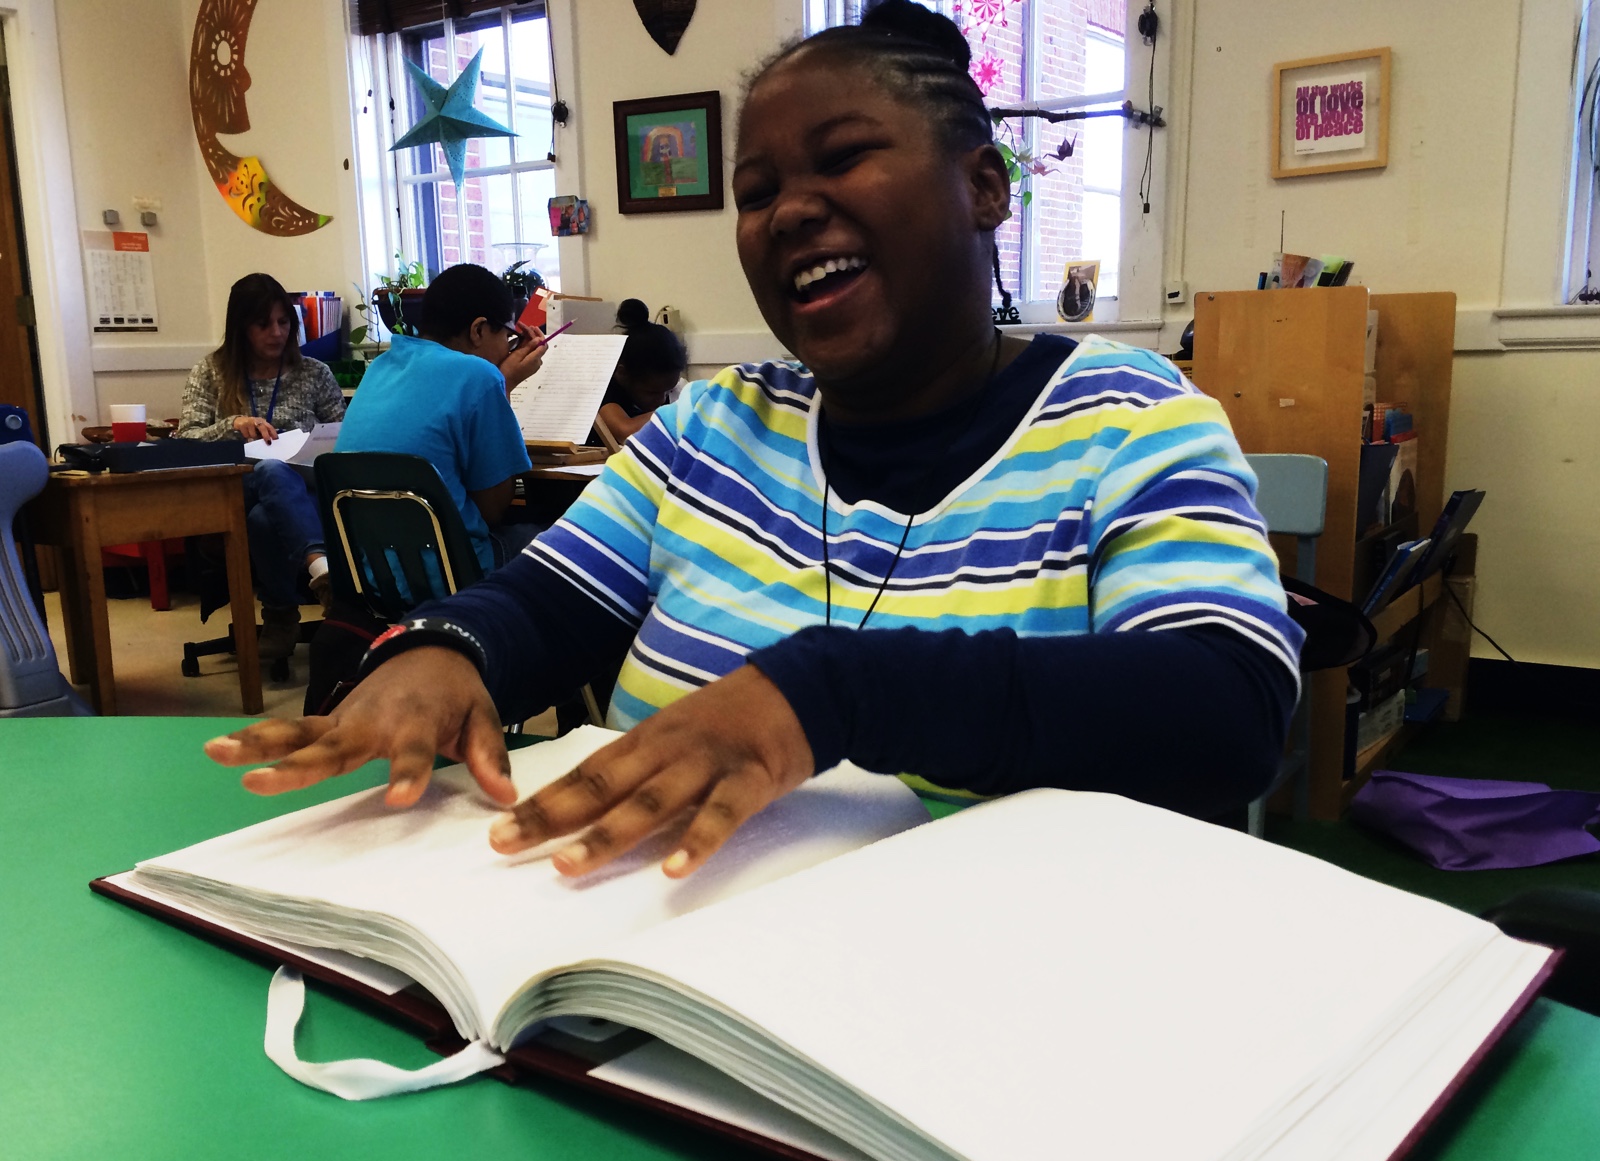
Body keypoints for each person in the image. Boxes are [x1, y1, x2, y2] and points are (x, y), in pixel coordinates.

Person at [205, 2, 1301, 888]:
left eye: (844, 158)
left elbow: (1227, 708)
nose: (787, 212)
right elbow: (544, 603)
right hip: (659, 981)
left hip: (1002, 1016)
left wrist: (838, 692)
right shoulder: (713, 429)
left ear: (982, 186)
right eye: (758, 192)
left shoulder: (1132, 417)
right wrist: (443, 649)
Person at [178, 273, 346, 661]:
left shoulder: (314, 373)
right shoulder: (212, 372)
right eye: (263, 324)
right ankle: (322, 572)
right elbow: (186, 439)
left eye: (284, 322)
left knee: (263, 519)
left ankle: (281, 615)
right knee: (269, 471)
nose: (277, 333)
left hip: (307, 490)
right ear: (241, 328)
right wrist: (232, 425)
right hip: (233, 488)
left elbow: (343, 435)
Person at [336, 264, 546, 571]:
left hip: (371, 574)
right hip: (449, 572)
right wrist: (505, 383)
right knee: (558, 542)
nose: (507, 347)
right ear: (479, 330)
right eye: (508, 335)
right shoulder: (480, 375)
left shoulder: (380, 367)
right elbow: (493, 509)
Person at [595, 299, 687, 445]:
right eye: (652, 393)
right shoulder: (605, 389)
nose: (662, 400)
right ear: (622, 374)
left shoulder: (673, 385)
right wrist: (684, 410)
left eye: (667, 392)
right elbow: (624, 431)